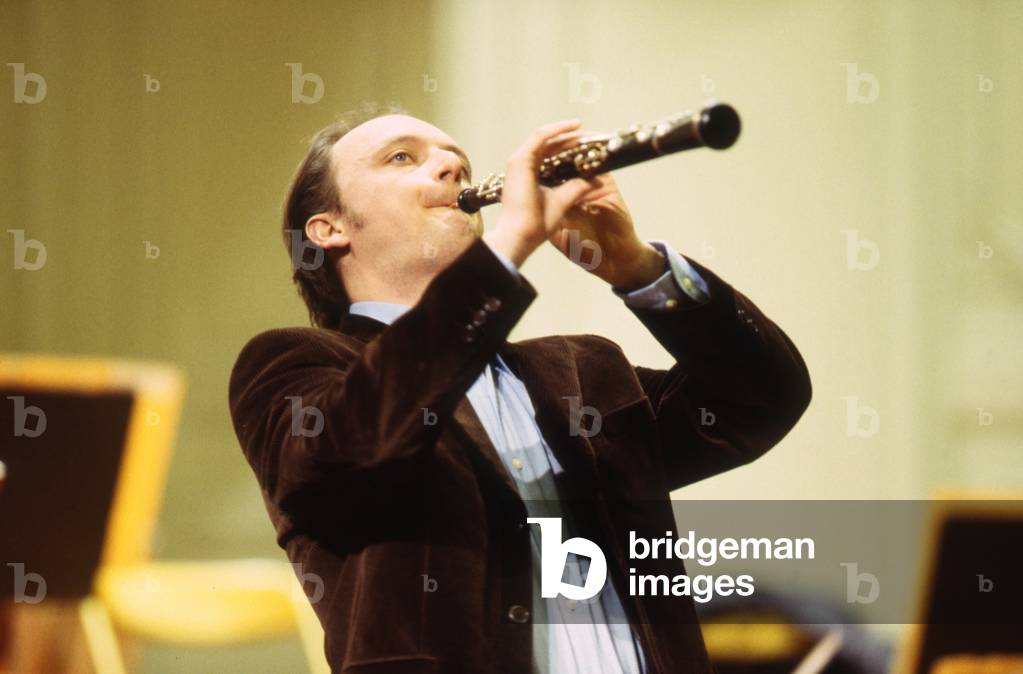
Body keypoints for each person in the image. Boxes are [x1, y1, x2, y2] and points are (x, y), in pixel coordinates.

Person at [228, 104, 812, 674]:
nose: (451, 169)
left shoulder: (585, 370)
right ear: (327, 229)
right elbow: (357, 452)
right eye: (402, 158)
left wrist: (633, 264)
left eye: (457, 160)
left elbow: (760, 396)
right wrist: (506, 247)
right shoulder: (293, 365)